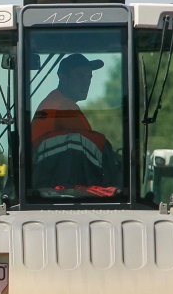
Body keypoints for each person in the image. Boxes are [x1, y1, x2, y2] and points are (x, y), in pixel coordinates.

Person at [30, 53, 118, 193]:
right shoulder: (65, 106)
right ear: (63, 78)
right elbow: (93, 149)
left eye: (89, 77)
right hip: (53, 182)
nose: (86, 82)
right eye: (80, 77)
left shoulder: (51, 102)